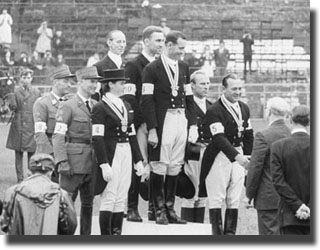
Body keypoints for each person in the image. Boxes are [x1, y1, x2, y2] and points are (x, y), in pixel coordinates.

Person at [141, 30, 198, 225]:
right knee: (160, 163)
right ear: (169, 45)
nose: (182, 52)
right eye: (180, 48)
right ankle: (158, 210)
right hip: (163, 120)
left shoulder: (184, 67)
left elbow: (189, 98)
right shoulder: (152, 68)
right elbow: (147, 100)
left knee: (175, 164)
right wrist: (153, 129)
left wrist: (193, 124)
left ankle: (170, 208)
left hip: (180, 118)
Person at [91, 68, 144, 235]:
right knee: (110, 195)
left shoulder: (126, 105)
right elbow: (97, 138)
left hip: (126, 149)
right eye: (121, 83)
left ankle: (117, 234)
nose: (124, 86)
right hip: (111, 152)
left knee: (122, 195)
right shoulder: (101, 107)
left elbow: (132, 134)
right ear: (110, 84)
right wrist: (104, 163)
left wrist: (138, 159)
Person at [199, 73, 253, 235]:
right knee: (217, 197)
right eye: (234, 89)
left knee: (234, 198)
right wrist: (237, 157)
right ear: (224, 89)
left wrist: (249, 157)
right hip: (219, 155)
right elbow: (219, 138)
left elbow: (249, 134)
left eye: (240, 88)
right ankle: (217, 235)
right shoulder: (214, 110)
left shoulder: (244, 107)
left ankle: (230, 235)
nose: (238, 92)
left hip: (239, 153)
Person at [52, 66, 101, 235]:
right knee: (66, 204)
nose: (95, 85)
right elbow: (58, 136)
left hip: (92, 162)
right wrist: (62, 161)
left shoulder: (96, 106)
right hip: (72, 164)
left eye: (96, 82)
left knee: (88, 204)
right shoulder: (68, 106)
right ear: (80, 82)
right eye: (91, 82)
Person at [123, 25, 165, 222]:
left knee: (158, 165)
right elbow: (130, 97)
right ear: (146, 41)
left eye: (163, 41)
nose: (161, 44)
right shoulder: (133, 65)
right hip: (141, 124)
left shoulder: (163, 65)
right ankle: (131, 207)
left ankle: (153, 207)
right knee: (138, 163)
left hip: (159, 123)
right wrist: (143, 122)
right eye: (158, 40)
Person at [0, 153, 77, 235]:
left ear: (29, 172)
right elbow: (70, 227)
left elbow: (5, 225)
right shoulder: (61, 194)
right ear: (50, 172)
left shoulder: (13, 192)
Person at [245, 97, 291, 235]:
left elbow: (256, 167)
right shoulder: (291, 134)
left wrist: (249, 194)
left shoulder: (263, 136)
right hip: (291, 198)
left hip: (269, 197)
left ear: (269, 112)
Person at [270, 105, 310, 235]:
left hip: (289, 214)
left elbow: (278, 181)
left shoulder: (278, 147)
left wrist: (297, 205)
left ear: (290, 120)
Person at [180, 70, 212, 223]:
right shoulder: (186, 105)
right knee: (191, 191)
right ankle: (187, 232)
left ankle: (199, 230)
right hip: (193, 150)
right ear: (192, 86)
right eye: (202, 84)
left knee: (203, 193)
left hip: (208, 152)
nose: (206, 87)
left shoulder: (211, 106)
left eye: (207, 83)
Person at [33, 65, 75, 182]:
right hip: (49, 156)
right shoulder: (43, 103)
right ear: (56, 82)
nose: (69, 85)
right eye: (65, 81)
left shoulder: (71, 103)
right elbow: (40, 135)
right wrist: (55, 156)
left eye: (70, 81)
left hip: (67, 155)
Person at [6, 68, 41, 183]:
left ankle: (31, 177)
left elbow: (40, 108)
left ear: (32, 78)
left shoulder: (36, 92)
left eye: (28, 77)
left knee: (32, 153)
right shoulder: (15, 92)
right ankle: (20, 179)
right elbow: (13, 108)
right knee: (18, 154)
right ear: (20, 79)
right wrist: (10, 97)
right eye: (24, 77)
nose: (26, 80)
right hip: (18, 124)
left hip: (32, 123)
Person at [93, 30, 126, 101]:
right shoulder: (98, 66)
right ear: (109, 43)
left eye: (124, 42)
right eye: (118, 42)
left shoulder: (128, 65)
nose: (122, 45)